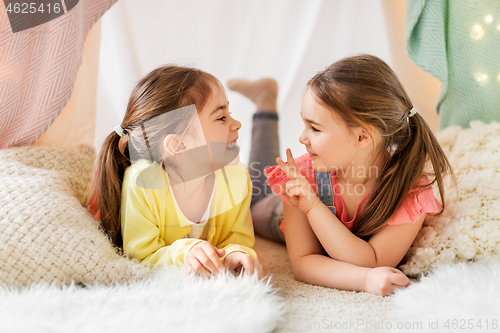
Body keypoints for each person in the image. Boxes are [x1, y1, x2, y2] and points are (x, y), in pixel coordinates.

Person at [230, 54, 453, 296]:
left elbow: (373, 261)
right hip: (279, 212)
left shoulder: (410, 191)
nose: (302, 138)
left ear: (362, 137)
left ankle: (265, 101)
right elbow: (304, 262)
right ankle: (265, 104)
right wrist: (364, 280)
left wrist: (314, 207)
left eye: (314, 128)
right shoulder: (305, 177)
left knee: (254, 191)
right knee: (252, 201)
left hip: (311, 199)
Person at [90, 65, 262, 277]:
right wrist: (186, 252)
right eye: (221, 117)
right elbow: (140, 258)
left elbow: (238, 240)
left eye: (230, 113)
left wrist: (236, 254)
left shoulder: (236, 177)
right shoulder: (142, 182)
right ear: (179, 146)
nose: (237, 124)